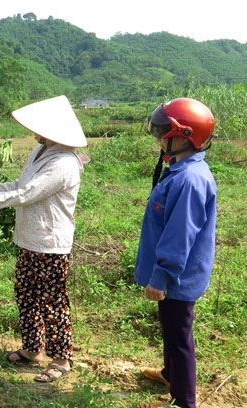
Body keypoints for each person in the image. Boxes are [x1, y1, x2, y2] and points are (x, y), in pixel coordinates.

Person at [0, 95, 88, 383]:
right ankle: (32, 348)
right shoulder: (40, 152)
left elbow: (26, 195)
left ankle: (61, 358)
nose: (34, 133)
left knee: (52, 301)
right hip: (28, 238)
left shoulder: (63, 162)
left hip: (50, 243)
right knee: (26, 294)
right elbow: (20, 185)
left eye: (40, 128)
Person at [135, 98, 217, 408]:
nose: (159, 137)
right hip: (174, 276)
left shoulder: (189, 179)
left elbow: (179, 235)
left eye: (163, 132)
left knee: (179, 337)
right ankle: (171, 373)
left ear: (184, 136)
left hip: (177, 279)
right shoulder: (180, 169)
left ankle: (184, 401)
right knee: (170, 328)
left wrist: (162, 277)